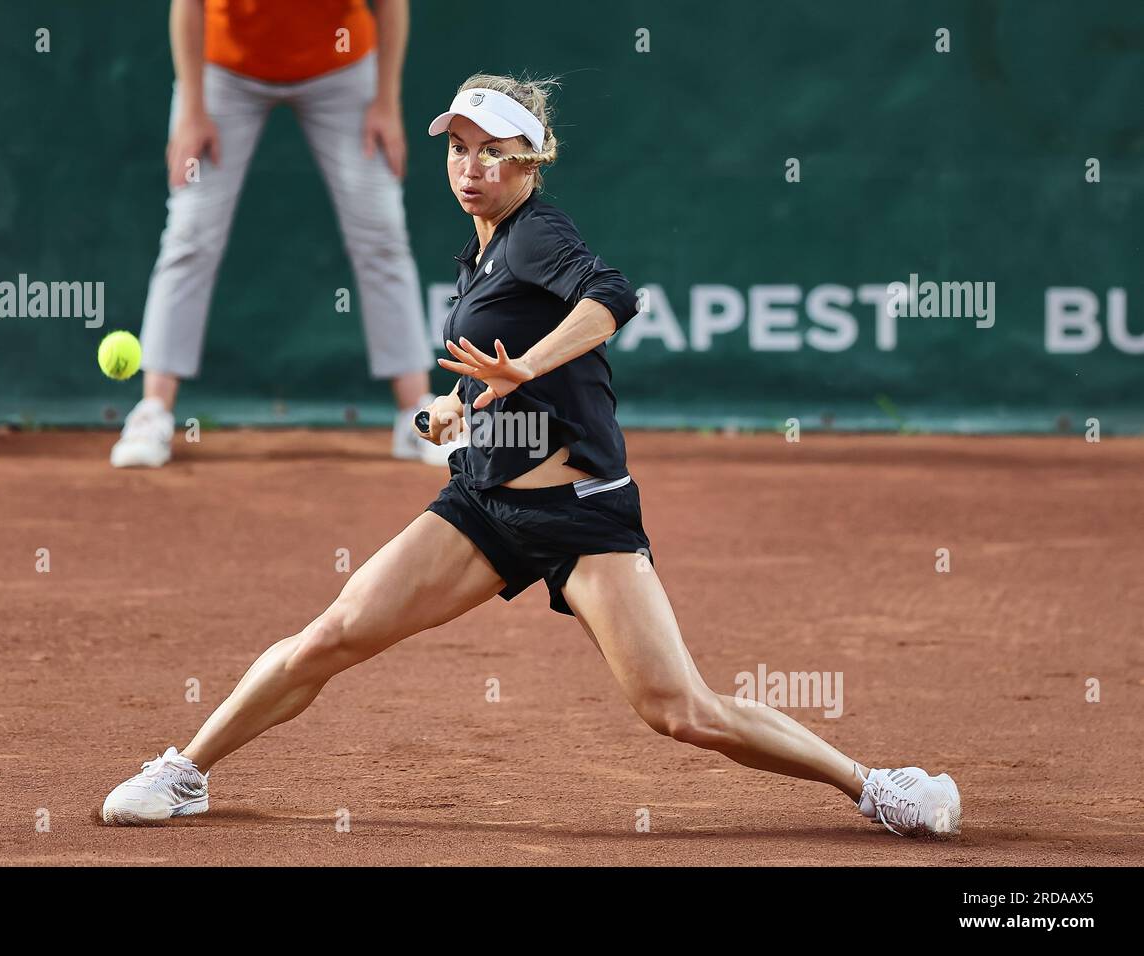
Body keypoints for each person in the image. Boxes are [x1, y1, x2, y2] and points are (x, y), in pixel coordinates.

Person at [101, 73, 963, 839]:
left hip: (580, 517)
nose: (469, 166)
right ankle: (185, 774)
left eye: (491, 152)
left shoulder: (533, 235)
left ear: (529, 162)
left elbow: (612, 298)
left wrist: (529, 365)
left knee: (680, 710)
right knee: (332, 634)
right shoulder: (480, 255)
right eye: (460, 149)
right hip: (484, 506)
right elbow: (491, 382)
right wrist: (454, 411)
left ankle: (878, 788)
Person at [112, 0, 450, 468]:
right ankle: (153, 411)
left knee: (382, 234)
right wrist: (192, 107)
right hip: (223, 70)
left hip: (343, 66)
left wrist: (385, 101)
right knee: (190, 233)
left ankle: (417, 415)